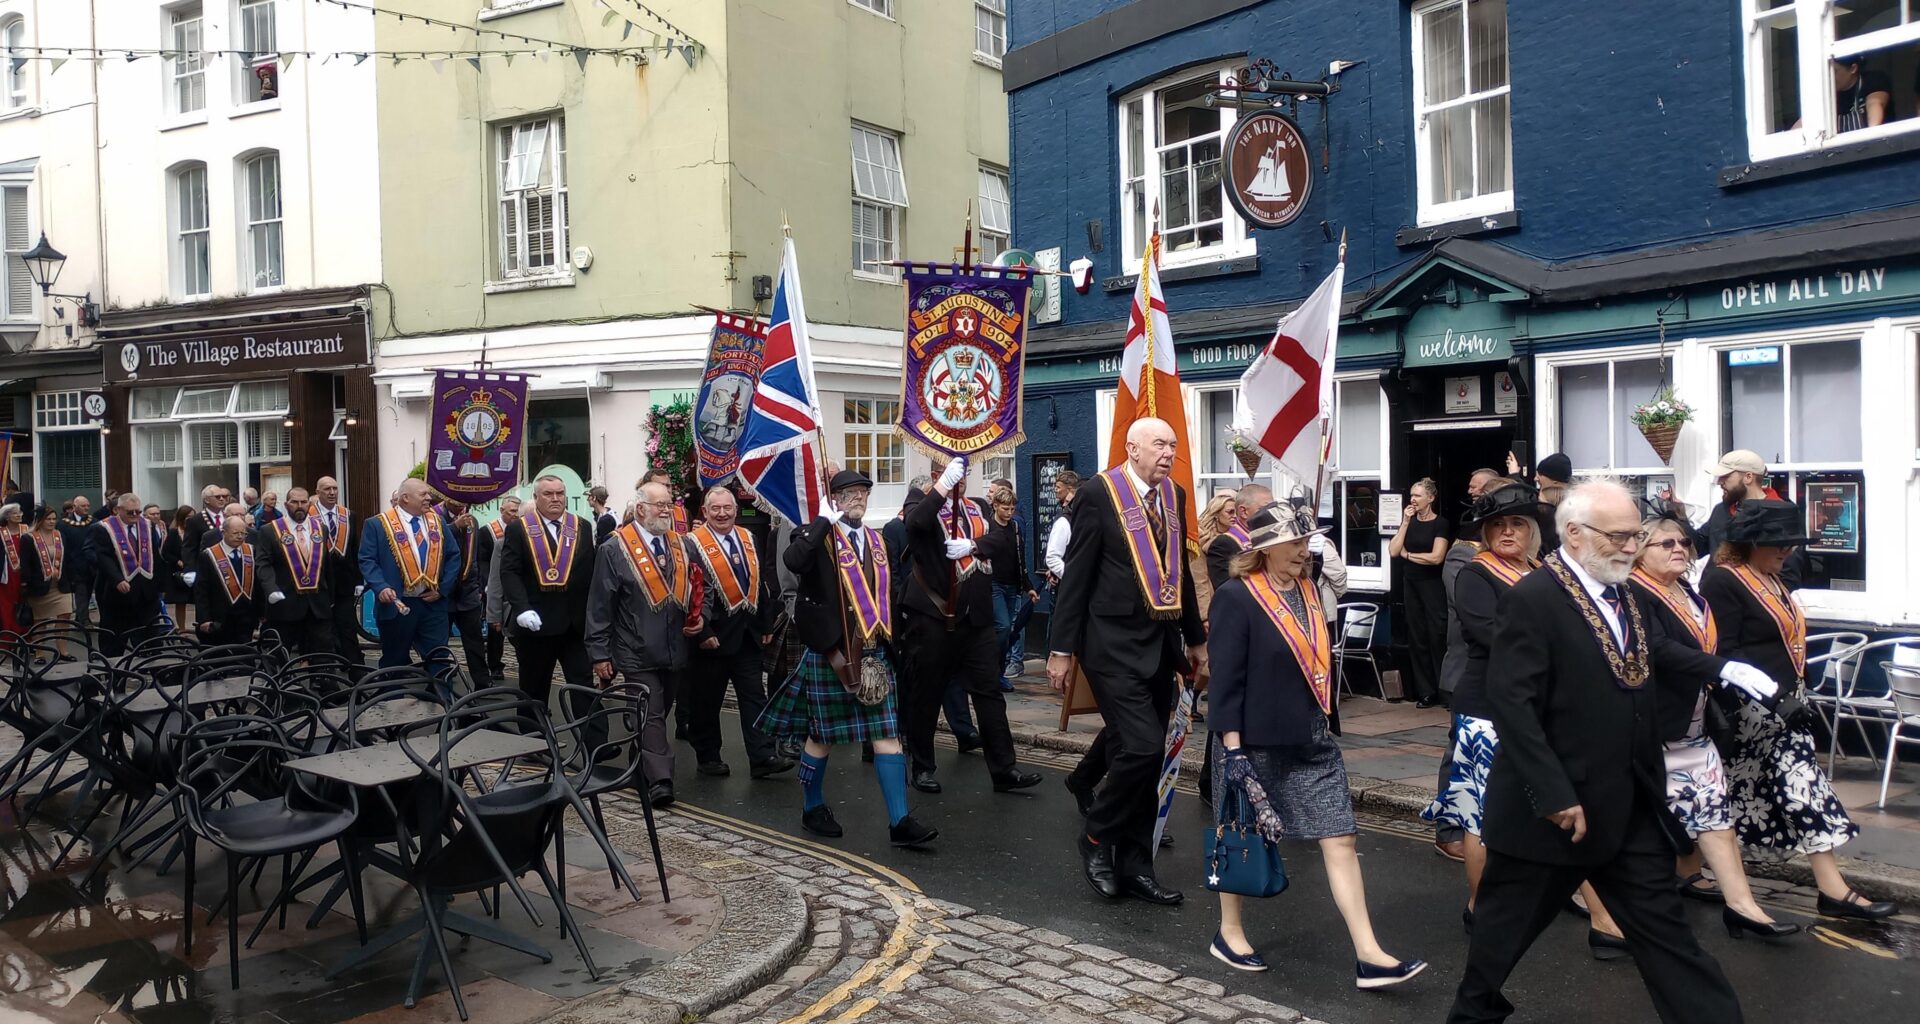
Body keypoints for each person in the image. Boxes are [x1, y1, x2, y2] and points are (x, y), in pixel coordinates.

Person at [1446, 480, 1749, 1024]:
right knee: (1494, 953)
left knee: (1670, 940)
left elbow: (1648, 649)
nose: (1632, 546)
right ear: (1575, 534)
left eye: (1637, 535)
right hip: (1551, 821)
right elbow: (1512, 702)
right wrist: (1554, 793)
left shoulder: (1626, 592)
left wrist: (1718, 667)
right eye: (1621, 536)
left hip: (1626, 806)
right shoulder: (1531, 599)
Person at [1208, 501, 1425, 988]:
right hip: (1252, 738)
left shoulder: (1308, 589)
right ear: (1265, 548)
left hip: (1311, 735)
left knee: (1341, 835)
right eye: (1296, 542)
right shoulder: (1235, 597)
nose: (1304, 551)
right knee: (1242, 836)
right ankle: (1229, 932)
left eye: (1307, 541)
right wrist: (1234, 750)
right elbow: (1225, 682)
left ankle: (1370, 954)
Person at [1700, 498, 1897, 921]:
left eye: (1791, 541)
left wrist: (1797, 695)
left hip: (1791, 707)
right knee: (1769, 792)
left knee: (1781, 791)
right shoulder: (1723, 581)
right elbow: (1726, 652)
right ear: (1749, 541)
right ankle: (1828, 890)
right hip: (1755, 711)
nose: (1787, 549)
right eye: (1778, 542)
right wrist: (1773, 696)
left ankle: (1829, 889)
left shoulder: (1774, 578)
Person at [1047, 417, 1206, 907]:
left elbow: (1177, 574)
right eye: (1159, 443)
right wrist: (1060, 649)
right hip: (1109, 645)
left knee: (1151, 757)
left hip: (1160, 646)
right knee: (1140, 747)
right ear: (1132, 448)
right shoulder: (1099, 493)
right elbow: (1077, 576)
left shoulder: (1174, 497)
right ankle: (1096, 836)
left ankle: (1136, 865)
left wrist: (1196, 641)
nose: (1168, 451)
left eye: (1173, 444)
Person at [1628, 512, 1798, 939]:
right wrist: (1726, 669)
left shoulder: (1689, 593)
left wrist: (1733, 688)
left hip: (1695, 727)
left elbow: (1708, 647)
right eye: (1665, 543)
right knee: (1630, 826)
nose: (1678, 549)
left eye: (1683, 542)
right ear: (1639, 550)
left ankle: (1743, 908)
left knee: (1715, 819)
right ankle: (1597, 906)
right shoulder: (1632, 593)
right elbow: (1660, 650)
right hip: (1648, 730)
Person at [758, 466, 939, 847]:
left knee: (888, 736)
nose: (857, 497)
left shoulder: (879, 541)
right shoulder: (815, 536)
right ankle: (812, 807)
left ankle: (900, 821)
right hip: (833, 654)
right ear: (834, 499)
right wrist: (823, 521)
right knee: (820, 738)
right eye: (848, 493)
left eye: (862, 491)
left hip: (876, 652)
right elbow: (795, 562)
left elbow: (889, 592)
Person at [1421, 483, 1550, 934]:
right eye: (1498, 525)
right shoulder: (1476, 574)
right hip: (1486, 706)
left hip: (1534, 701)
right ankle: (1480, 906)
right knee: (1483, 811)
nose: (1508, 531)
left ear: (1532, 530)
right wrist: (1555, 649)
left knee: (1529, 806)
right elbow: (1489, 632)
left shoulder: (1541, 570)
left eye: (1517, 523)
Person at [899, 457, 1043, 796]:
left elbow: (1004, 540)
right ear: (937, 475)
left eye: (963, 476)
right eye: (953, 476)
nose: (961, 482)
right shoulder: (922, 503)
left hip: (975, 620)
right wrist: (941, 489)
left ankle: (1004, 767)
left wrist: (973, 546)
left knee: (989, 692)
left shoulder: (977, 508)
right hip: (933, 617)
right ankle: (922, 767)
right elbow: (916, 524)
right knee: (927, 694)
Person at [587, 481, 704, 808]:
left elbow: (699, 588)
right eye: (659, 505)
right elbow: (600, 604)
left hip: (674, 648)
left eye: (669, 504)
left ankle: (641, 760)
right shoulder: (614, 548)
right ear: (640, 509)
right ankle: (661, 781)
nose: (666, 510)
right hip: (634, 649)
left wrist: (700, 618)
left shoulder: (683, 545)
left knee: (656, 712)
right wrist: (599, 653)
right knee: (651, 712)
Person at [685, 484, 793, 779]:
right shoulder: (692, 543)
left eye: (728, 508)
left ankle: (762, 756)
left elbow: (763, 584)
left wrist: (766, 623)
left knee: (754, 696)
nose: (722, 514)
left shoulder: (749, 537)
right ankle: (708, 756)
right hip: (714, 636)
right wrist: (703, 630)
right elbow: (690, 592)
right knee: (707, 701)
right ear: (705, 512)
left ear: (736, 509)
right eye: (716, 509)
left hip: (748, 634)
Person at [501, 475, 599, 717]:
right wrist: (521, 608)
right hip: (536, 624)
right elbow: (510, 572)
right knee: (534, 691)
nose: (555, 499)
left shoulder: (582, 527)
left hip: (574, 625)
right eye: (548, 494)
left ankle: (596, 745)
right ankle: (534, 742)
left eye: (560, 493)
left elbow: (589, 573)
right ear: (535, 498)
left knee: (583, 687)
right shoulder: (518, 529)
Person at [358, 478, 463, 669]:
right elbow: (367, 560)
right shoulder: (377, 524)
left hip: (432, 605)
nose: (429, 498)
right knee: (395, 662)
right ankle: (393, 697)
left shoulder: (437, 522)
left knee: (439, 660)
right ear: (405, 498)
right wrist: (380, 586)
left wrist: (442, 589)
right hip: (397, 605)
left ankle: (442, 698)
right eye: (423, 494)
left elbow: (453, 556)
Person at [1389, 478, 1451, 708]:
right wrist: (1405, 522)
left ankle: (1443, 689)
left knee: (1437, 635)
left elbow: (1436, 557)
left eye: (1417, 496)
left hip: (1433, 584)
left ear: (1431, 498)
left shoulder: (1440, 524)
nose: (1413, 500)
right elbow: (1393, 550)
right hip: (1411, 583)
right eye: (1412, 495)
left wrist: (1409, 556)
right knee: (1417, 636)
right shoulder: (1409, 522)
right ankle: (1426, 691)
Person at [257, 487, 336, 657]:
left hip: (317, 605)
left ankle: (322, 682)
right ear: (286, 504)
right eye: (294, 502)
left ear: (309, 503)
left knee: (322, 654)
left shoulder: (320, 529)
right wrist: (270, 589)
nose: (299, 506)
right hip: (285, 604)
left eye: (303, 502)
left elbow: (326, 565)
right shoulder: (269, 531)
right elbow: (263, 564)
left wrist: (331, 596)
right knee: (279, 654)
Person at [93, 493, 167, 655]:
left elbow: (155, 555)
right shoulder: (104, 528)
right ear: (118, 510)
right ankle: (114, 675)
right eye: (130, 512)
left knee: (150, 639)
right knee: (114, 640)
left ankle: (155, 671)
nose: (135, 515)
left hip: (146, 593)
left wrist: (160, 585)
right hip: (117, 593)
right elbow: (103, 557)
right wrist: (117, 579)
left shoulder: (148, 526)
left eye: (138, 512)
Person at [987, 487, 1037, 691]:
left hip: (1012, 585)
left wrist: (1028, 586)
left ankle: (999, 672)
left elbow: (1020, 558)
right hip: (994, 584)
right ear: (995, 506)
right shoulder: (988, 526)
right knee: (1003, 626)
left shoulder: (1015, 527)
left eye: (1012, 509)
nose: (1009, 513)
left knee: (1009, 631)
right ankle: (993, 671)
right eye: (1005, 508)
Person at [193, 513, 266, 647]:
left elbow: (258, 584)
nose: (239, 537)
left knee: (245, 656)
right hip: (219, 616)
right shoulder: (209, 555)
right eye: (235, 533)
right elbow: (201, 589)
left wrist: (262, 612)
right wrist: (203, 618)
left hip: (246, 614)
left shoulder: (251, 551)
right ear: (223, 532)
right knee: (221, 657)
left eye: (243, 533)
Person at [313, 476, 364, 666]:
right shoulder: (309, 515)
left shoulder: (348, 515)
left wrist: (359, 580)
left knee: (347, 627)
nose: (332, 492)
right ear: (318, 492)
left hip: (344, 582)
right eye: (327, 489)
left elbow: (354, 548)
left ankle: (356, 668)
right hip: (319, 582)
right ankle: (325, 671)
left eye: (335, 488)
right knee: (322, 630)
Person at [21, 506, 79, 647]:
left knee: (65, 615)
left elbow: (68, 559)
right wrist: (26, 584)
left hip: (60, 585)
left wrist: (73, 580)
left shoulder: (60, 536)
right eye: (48, 519)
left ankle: (62, 649)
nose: (52, 522)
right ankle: (40, 650)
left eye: (54, 519)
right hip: (39, 585)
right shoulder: (28, 538)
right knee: (40, 621)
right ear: (41, 520)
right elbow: (26, 563)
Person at [480, 494, 522, 682]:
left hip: (515, 588)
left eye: (517, 511)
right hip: (494, 586)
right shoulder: (487, 531)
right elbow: (482, 560)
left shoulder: (521, 530)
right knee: (495, 629)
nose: (515, 515)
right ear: (502, 511)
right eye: (512, 511)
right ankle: (495, 665)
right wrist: (488, 584)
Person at [161, 506, 197, 632]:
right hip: (178, 573)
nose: (190, 520)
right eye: (188, 517)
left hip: (194, 570)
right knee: (180, 601)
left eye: (193, 517)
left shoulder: (195, 532)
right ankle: (181, 628)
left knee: (198, 599)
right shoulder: (174, 532)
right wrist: (178, 561)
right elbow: (165, 552)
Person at [62, 497, 97, 626]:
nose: (86, 508)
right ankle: (83, 619)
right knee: (81, 592)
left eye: (88, 505)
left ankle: (80, 616)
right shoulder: (64, 524)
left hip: (91, 564)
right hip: (74, 564)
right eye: (83, 506)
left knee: (88, 592)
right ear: (75, 506)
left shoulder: (93, 522)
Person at [1042, 470, 1080, 587]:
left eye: (1058, 487)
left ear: (1069, 489)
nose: (1055, 490)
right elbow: (1053, 555)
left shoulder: (1069, 516)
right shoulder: (1063, 517)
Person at [0, 505, 25, 642]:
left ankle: (26, 637)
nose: (19, 515)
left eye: (19, 512)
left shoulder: (27, 530)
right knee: (7, 608)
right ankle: (8, 639)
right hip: (7, 576)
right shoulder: (1, 533)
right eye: (15, 513)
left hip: (25, 574)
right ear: (7, 516)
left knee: (26, 606)